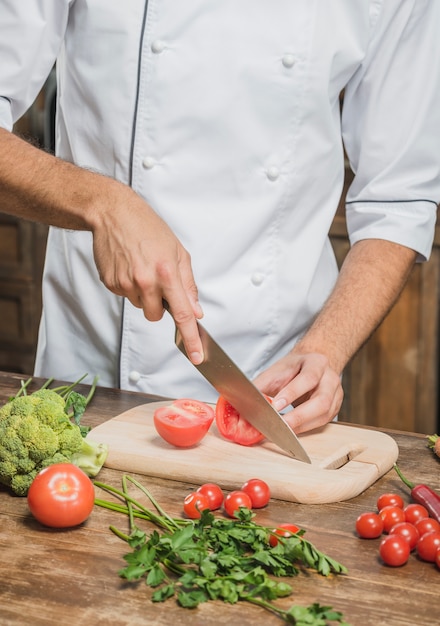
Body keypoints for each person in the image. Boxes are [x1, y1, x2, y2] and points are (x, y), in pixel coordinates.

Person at [0, 1, 439, 435]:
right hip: (92, 376)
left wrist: (327, 348)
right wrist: (101, 202)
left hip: (273, 390)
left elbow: (398, 199)